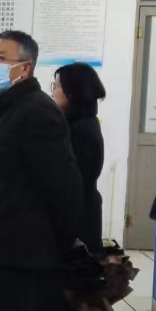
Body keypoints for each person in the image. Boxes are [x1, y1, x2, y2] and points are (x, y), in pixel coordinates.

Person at [0, 30, 82, 311]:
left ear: (25, 67)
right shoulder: (10, 108)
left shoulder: (37, 112)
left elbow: (62, 188)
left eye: (1, 59)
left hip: (27, 254)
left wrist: (57, 246)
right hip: (8, 249)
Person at [52, 63, 106, 254]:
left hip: (79, 219)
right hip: (79, 212)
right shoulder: (80, 123)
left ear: (73, 92)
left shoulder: (79, 129)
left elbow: (73, 180)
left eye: (57, 85)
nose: (52, 91)